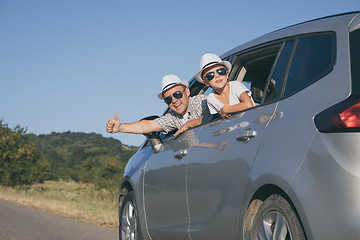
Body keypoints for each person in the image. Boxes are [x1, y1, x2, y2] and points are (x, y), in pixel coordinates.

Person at [106, 74, 208, 136]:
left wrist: (189, 124)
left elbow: (214, 113)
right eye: (168, 99)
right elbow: (148, 125)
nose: (174, 100)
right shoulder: (173, 117)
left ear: (187, 91)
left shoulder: (200, 101)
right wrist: (120, 128)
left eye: (177, 94)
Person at [195, 53, 254, 119]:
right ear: (205, 82)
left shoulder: (236, 86)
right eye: (210, 75)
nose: (217, 76)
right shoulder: (211, 99)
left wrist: (226, 109)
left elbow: (248, 105)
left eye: (221, 71)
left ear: (227, 74)